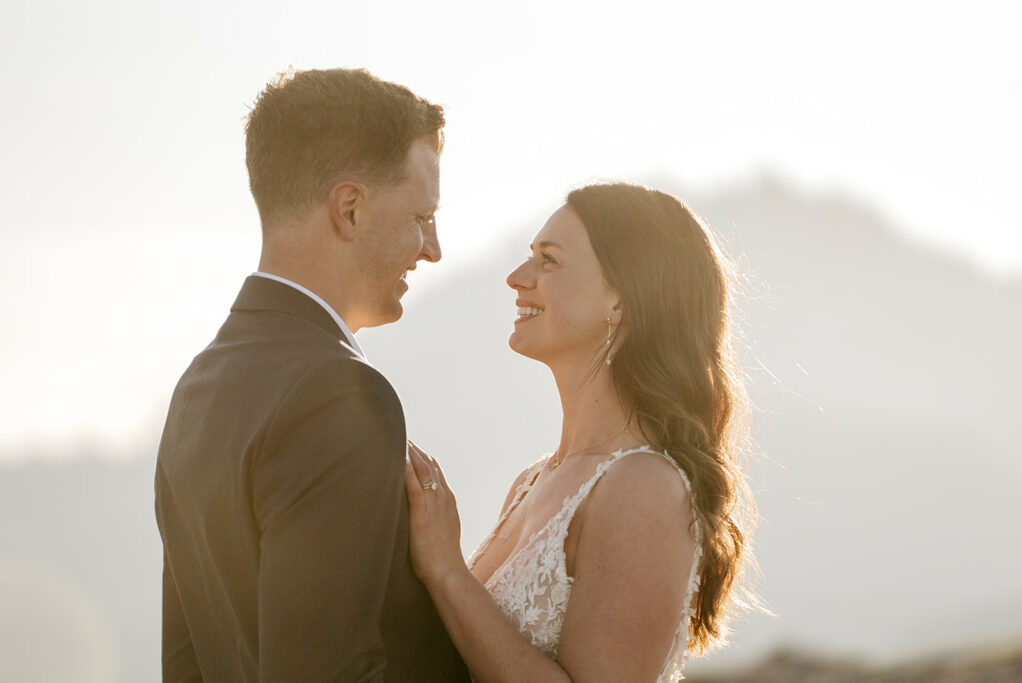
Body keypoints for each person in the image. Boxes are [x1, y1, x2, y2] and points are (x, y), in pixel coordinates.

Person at [154, 68, 469, 681]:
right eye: (422, 216)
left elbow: (185, 665)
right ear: (348, 209)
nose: (433, 248)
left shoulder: (197, 388)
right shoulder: (336, 394)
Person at [405, 183, 756, 682]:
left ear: (621, 298)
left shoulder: (644, 487)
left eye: (548, 260)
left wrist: (445, 568)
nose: (516, 277)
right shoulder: (533, 479)